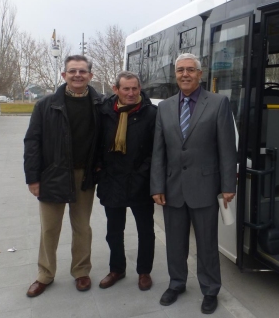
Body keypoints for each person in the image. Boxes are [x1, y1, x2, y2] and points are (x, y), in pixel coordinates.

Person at [150, 53, 236, 315]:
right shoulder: (164, 107)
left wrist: (228, 184)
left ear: (200, 74)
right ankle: (176, 283)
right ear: (175, 75)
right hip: (173, 188)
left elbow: (226, 148)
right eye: (180, 70)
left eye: (190, 70)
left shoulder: (219, 103)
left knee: (207, 244)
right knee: (175, 243)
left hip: (206, 187)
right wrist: (157, 186)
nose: (185, 74)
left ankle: (210, 290)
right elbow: (158, 151)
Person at [24, 55, 103, 297]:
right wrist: (33, 178)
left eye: (82, 71)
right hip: (53, 174)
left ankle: (81, 271)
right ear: (64, 76)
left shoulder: (100, 104)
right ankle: (44, 274)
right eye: (72, 71)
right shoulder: (46, 105)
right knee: (50, 228)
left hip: (84, 175)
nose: (77, 75)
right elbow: (32, 142)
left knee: (82, 227)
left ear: (90, 75)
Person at [97, 71, 157, 291]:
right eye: (126, 89)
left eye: (135, 88)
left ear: (139, 89)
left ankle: (144, 272)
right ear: (116, 90)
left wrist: (142, 173)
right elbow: (97, 143)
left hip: (140, 181)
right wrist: (100, 169)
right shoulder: (104, 112)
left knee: (145, 230)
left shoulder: (151, 113)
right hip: (111, 180)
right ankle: (117, 269)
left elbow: (156, 150)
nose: (131, 93)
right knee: (114, 230)